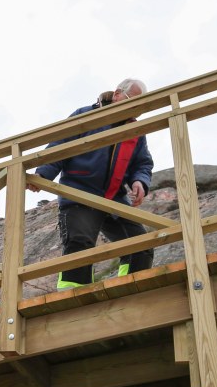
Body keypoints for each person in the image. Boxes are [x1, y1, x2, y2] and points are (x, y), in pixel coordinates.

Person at [27, 78, 154, 289]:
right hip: (79, 192)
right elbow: (59, 145)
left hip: (114, 197)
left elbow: (142, 163)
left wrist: (140, 181)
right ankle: (72, 297)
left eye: (140, 107)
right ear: (117, 94)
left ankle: (131, 290)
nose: (135, 110)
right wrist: (43, 174)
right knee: (80, 243)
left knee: (141, 244)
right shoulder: (85, 115)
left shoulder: (136, 130)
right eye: (132, 101)